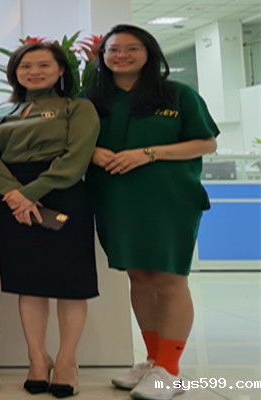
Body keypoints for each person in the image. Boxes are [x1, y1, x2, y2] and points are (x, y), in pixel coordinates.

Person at [86, 24, 218, 400]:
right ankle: (153, 359)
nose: (122, 55)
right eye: (114, 49)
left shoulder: (177, 94)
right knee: (140, 278)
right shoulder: (92, 98)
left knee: (169, 279)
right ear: (103, 56)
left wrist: (148, 153)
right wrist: (93, 151)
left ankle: (169, 370)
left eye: (132, 48)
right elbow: (73, 140)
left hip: (168, 199)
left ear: (149, 53)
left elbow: (205, 143)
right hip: (115, 199)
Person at [0, 41, 99, 398]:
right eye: (26, 66)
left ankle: (66, 361)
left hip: (63, 194)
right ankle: (36, 358)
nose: (34, 72)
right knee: (28, 282)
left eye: (44, 65)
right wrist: (13, 194)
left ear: (61, 70)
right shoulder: (2, 111)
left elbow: (75, 158)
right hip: (11, 199)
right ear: (14, 72)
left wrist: (30, 193)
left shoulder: (77, 107)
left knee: (71, 283)